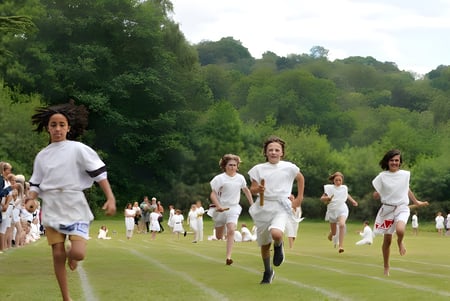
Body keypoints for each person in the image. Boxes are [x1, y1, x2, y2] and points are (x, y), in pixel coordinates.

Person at [28, 100, 116, 301]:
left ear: (68, 127)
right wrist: (31, 199)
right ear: (47, 128)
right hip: (51, 205)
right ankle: (66, 297)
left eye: (61, 125)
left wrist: (110, 198)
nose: (57, 129)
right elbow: (35, 184)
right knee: (57, 254)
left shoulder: (78, 149)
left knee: (78, 253)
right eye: (53, 125)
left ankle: (72, 256)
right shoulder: (42, 156)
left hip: (74, 203)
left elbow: (99, 174)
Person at [248, 136, 304, 284]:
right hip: (263, 207)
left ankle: (279, 246)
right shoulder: (258, 169)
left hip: (281, 205)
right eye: (270, 150)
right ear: (265, 152)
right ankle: (268, 271)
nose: (273, 152)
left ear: (282, 153)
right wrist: (257, 189)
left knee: (276, 233)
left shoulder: (289, 167)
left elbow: (300, 178)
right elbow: (252, 188)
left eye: (277, 150)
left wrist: (299, 198)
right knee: (265, 244)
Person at [372, 149, 428, 276]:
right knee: (387, 240)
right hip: (387, 210)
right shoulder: (382, 176)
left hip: (402, 207)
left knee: (400, 230)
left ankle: (400, 241)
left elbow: (406, 189)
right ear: (387, 161)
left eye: (397, 160)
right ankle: (386, 266)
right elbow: (377, 192)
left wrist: (416, 202)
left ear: (400, 162)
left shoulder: (404, 175)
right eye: (392, 160)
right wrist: (376, 194)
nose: (394, 162)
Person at [209, 154, 254, 265]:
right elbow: (213, 195)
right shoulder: (219, 179)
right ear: (225, 166)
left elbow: (246, 191)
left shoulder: (240, 178)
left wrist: (252, 204)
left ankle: (228, 257)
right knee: (219, 236)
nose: (232, 167)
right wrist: (218, 206)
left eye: (234, 165)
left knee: (231, 230)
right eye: (230, 165)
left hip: (233, 207)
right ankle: (221, 229)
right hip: (220, 208)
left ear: (237, 166)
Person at [320, 171, 358, 253]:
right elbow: (322, 198)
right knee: (334, 233)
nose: (338, 182)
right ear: (333, 180)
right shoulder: (329, 188)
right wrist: (327, 198)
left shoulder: (344, 188)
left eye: (340, 180)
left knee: (342, 224)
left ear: (342, 181)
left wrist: (353, 201)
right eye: (336, 180)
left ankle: (341, 246)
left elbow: (347, 195)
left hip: (342, 208)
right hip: (332, 210)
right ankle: (331, 233)